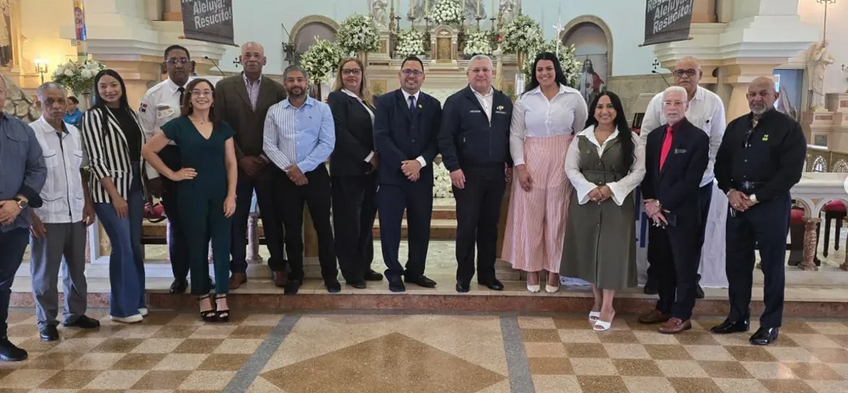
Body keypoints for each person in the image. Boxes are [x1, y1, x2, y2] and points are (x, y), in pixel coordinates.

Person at [711, 77, 806, 345]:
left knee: (772, 266)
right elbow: (721, 165)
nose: (756, 98)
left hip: (770, 205)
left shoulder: (788, 128)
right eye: (752, 93)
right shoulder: (736, 126)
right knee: (737, 264)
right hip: (737, 203)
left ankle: (770, 323)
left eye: (763, 93)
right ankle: (738, 316)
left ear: (774, 96)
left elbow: (790, 173)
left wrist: (755, 197)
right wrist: (730, 191)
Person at [142, 79, 237, 322]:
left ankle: (222, 296)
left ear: (213, 98)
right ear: (189, 98)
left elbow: (231, 163)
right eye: (197, 92)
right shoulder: (178, 125)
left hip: (220, 192)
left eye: (207, 92)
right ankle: (203, 295)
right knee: (196, 244)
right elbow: (148, 151)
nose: (202, 96)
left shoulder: (222, 126)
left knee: (222, 244)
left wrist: (231, 195)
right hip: (191, 192)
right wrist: (172, 174)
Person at [502, 52, 588, 293]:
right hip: (532, 158)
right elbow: (516, 135)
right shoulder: (525, 100)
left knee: (558, 216)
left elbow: (581, 131)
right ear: (534, 73)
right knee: (531, 215)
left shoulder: (573, 97)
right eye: (539, 70)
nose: (544, 73)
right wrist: (520, 166)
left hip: (563, 157)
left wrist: (576, 164)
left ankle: (553, 272)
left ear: (556, 69)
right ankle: (531, 270)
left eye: (548, 68)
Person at [640, 56, 726, 298]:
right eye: (679, 72)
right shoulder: (660, 100)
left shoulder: (713, 102)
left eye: (690, 71)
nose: (684, 76)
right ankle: (657, 275)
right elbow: (648, 138)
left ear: (700, 74)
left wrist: (701, 174)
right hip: (662, 184)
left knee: (692, 234)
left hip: (699, 183)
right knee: (659, 231)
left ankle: (689, 278)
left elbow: (718, 141)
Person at [562, 91, 645, 331]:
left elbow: (638, 171)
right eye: (599, 107)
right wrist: (589, 189)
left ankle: (608, 306)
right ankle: (597, 299)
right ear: (593, 111)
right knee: (590, 250)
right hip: (586, 201)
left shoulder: (630, 139)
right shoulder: (581, 137)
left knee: (611, 253)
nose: (604, 111)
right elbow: (570, 168)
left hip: (616, 202)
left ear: (617, 110)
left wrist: (611, 188)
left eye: (609, 106)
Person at [29, 82, 100, 341]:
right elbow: (23, 178)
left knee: (76, 269)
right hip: (46, 213)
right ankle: (46, 321)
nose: (57, 106)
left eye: (60, 100)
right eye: (50, 102)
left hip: (75, 211)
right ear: (39, 103)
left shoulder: (74, 132)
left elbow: (80, 171)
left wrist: (88, 203)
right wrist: (31, 215)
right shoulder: (31, 135)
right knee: (46, 272)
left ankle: (75, 313)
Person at [214, 42, 288, 289]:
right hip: (237, 165)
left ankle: (277, 265)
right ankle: (238, 269)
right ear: (240, 60)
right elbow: (220, 125)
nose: (252, 59)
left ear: (264, 61)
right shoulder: (224, 88)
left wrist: (267, 157)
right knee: (235, 218)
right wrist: (240, 158)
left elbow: (282, 126)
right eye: (248, 55)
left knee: (273, 217)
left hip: (269, 165)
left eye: (257, 55)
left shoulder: (277, 89)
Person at [638, 86, 709, 334]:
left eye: (677, 103)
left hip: (683, 215)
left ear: (687, 106)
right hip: (656, 214)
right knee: (662, 263)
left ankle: (682, 314)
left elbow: (691, 181)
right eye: (668, 103)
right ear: (662, 107)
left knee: (684, 266)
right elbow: (647, 173)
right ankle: (664, 306)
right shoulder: (656, 136)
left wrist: (661, 203)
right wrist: (649, 202)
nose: (672, 107)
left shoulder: (698, 138)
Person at [438, 54, 513, 293]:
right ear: (468, 74)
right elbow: (445, 138)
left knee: (490, 226)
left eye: (485, 70)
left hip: (495, 174)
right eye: (476, 70)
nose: (481, 74)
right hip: (467, 174)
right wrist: (454, 167)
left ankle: (487, 275)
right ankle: (464, 276)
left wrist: (510, 165)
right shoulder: (456, 102)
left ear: (493, 73)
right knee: (468, 226)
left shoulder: (504, 102)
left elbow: (511, 138)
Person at [264, 65, 338, 295]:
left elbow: (327, 143)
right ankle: (295, 274)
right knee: (291, 229)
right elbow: (268, 144)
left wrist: (302, 168)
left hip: (315, 175)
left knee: (323, 227)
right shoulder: (274, 111)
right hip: (285, 177)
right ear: (284, 84)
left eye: (299, 79)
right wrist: (290, 169)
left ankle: (330, 275)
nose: (296, 84)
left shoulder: (322, 109)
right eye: (290, 80)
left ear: (306, 83)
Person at [81, 69, 147, 324]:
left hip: (135, 184)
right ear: (97, 91)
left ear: (121, 86)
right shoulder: (94, 116)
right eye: (103, 86)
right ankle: (121, 308)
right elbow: (95, 160)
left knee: (133, 245)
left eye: (113, 84)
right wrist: (115, 195)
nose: (109, 90)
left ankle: (137, 300)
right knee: (121, 246)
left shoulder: (131, 113)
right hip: (110, 188)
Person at [138, 44, 204, 294]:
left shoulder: (203, 91)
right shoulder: (153, 96)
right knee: (176, 222)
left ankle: (200, 273)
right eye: (173, 60)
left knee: (200, 223)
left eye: (183, 60)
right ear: (164, 65)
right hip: (168, 161)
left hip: (199, 160)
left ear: (191, 65)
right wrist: (153, 174)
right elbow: (146, 137)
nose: (178, 65)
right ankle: (179, 275)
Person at [373, 56, 442, 293]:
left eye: (416, 72)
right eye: (407, 71)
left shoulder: (433, 105)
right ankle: (393, 272)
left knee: (420, 226)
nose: (411, 76)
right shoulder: (384, 102)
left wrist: (419, 163)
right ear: (399, 75)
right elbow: (381, 136)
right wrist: (405, 164)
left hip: (421, 177)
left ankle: (415, 271)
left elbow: (436, 140)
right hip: (392, 177)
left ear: (423, 76)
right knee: (390, 227)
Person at [0, 76, 46, 361]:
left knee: (3, 282)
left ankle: (1, 338)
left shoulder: (21, 130)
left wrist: (17, 203)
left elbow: (37, 169)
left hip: (14, 221)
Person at [328, 57, 383, 288]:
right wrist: (369, 156)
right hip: (348, 170)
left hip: (369, 173)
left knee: (366, 220)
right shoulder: (337, 99)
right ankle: (351, 271)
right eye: (347, 71)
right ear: (340, 75)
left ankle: (363, 264)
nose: (351, 75)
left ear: (363, 74)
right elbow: (340, 132)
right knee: (348, 222)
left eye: (356, 71)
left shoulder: (371, 101)